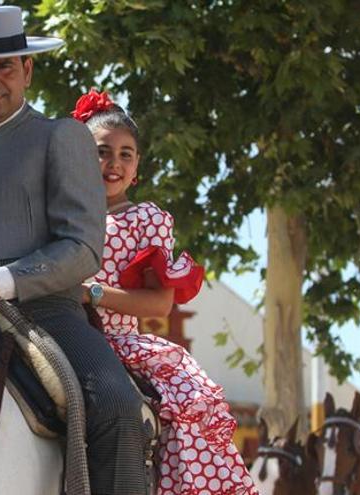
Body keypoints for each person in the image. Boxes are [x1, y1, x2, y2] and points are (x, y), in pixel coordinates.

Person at [0, 7, 149, 494]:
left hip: (43, 310)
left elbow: (83, 248)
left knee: (114, 401)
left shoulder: (60, 137)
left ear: (27, 70)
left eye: (5, 66)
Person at [72, 89, 259, 495]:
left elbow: (159, 302)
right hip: (56, 330)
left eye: (126, 154)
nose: (113, 163)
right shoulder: (59, 213)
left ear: (137, 166)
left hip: (119, 342)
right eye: (102, 151)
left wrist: (92, 293)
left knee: (181, 416)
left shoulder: (146, 219)